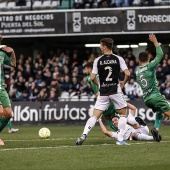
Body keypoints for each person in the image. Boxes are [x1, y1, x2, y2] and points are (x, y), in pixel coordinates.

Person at [76, 38, 130, 145]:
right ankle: (120, 140)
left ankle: (84, 134)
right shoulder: (119, 58)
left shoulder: (98, 60)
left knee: (95, 116)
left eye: (101, 46)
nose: (100, 47)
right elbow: (127, 74)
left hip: (103, 91)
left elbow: (92, 77)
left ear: (105, 46)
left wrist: (99, 85)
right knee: (123, 115)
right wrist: (124, 82)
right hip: (115, 90)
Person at [83, 61, 146, 132]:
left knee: (107, 118)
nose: (85, 71)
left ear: (89, 68)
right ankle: (136, 123)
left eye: (85, 69)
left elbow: (96, 90)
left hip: (103, 99)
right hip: (113, 96)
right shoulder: (103, 73)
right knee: (123, 116)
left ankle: (122, 131)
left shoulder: (90, 77)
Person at [136, 33, 170, 142]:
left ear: (138, 60)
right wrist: (155, 42)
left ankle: (156, 128)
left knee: (160, 112)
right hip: (154, 95)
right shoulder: (149, 66)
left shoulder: (137, 72)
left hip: (146, 99)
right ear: (149, 58)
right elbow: (160, 55)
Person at [0, 35, 16, 145]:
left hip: (1, 87)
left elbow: (13, 64)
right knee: (0, 111)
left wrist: (12, 52)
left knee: (8, 114)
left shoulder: (2, 54)